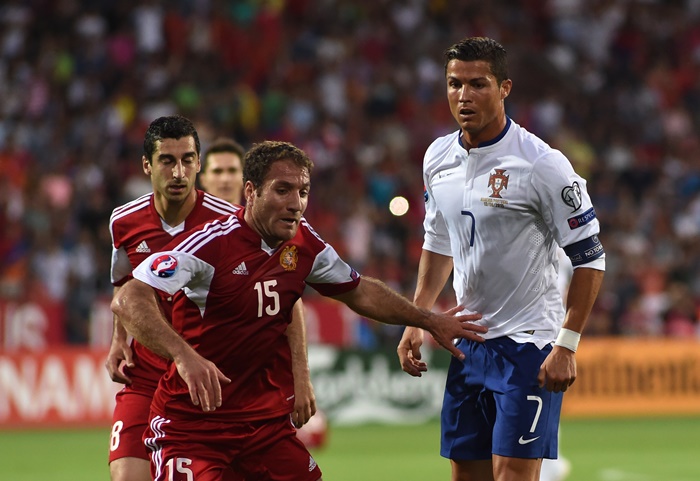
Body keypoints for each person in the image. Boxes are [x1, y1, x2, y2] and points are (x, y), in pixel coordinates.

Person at [111, 140, 489, 481]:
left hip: (263, 428)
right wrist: (183, 355)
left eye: (303, 192)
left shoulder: (304, 243)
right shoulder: (209, 245)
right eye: (283, 190)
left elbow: (360, 292)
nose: (295, 203)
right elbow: (128, 298)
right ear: (251, 192)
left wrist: (427, 319)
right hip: (193, 428)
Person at [396, 37, 605, 481]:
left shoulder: (542, 164)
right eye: (454, 84)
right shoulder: (437, 158)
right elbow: (438, 241)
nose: (464, 95)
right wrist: (418, 317)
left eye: (478, 84)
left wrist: (567, 344)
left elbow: (590, 257)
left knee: (512, 476)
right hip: (467, 343)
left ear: (504, 88)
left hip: (528, 346)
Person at [105, 120, 313, 481]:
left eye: (187, 160)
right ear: (147, 166)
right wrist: (118, 338)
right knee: (126, 476)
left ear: (198, 164)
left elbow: (287, 298)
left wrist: (300, 374)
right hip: (149, 373)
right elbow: (124, 283)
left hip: (210, 381)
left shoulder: (229, 221)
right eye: (167, 161)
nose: (178, 172)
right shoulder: (124, 220)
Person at [199, 136, 318, 442]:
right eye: (218, 171)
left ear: (247, 184)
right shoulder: (193, 237)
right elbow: (138, 291)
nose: (225, 180)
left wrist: (301, 375)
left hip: (256, 389)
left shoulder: (271, 227)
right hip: (184, 381)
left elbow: (291, 300)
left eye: (232, 171)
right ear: (202, 177)